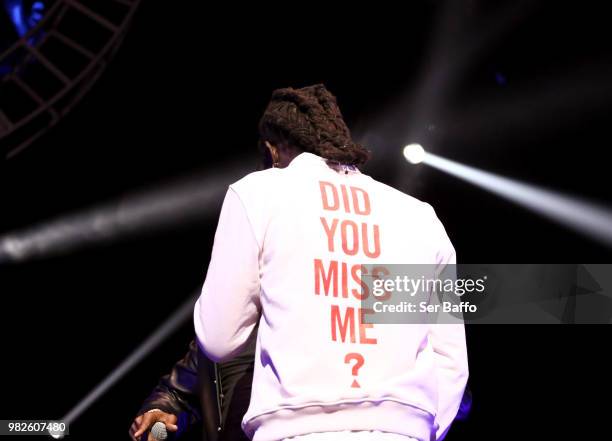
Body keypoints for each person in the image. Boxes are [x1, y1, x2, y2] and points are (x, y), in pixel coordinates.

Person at [194, 83, 468, 441]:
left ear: (271, 150)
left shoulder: (258, 193)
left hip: (294, 432)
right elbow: (449, 360)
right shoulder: (417, 216)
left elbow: (219, 338)